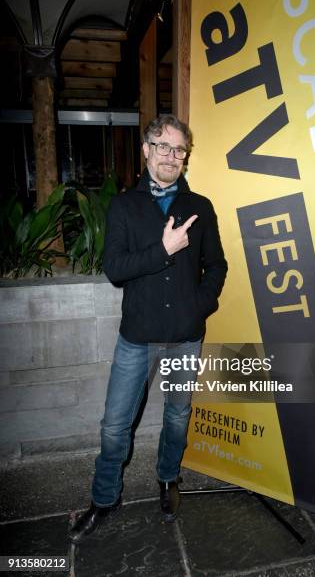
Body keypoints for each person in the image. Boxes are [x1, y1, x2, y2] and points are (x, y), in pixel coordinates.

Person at [69, 114, 227, 543]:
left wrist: (201, 304)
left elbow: (217, 264)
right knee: (115, 425)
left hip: (185, 337)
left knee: (177, 415)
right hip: (136, 337)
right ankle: (105, 499)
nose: (171, 156)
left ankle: (167, 479)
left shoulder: (200, 207)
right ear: (146, 150)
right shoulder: (123, 205)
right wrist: (162, 249)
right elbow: (115, 270)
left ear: (185, 157)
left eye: (179, 150)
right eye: (163, 146)